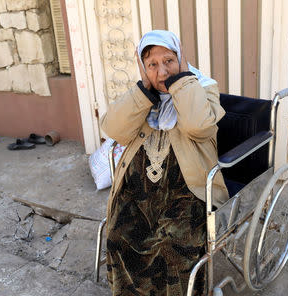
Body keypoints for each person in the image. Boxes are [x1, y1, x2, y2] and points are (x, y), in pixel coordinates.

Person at [100, 30, 229, 296]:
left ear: (181, 59)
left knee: (173, 246)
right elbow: (112, 128)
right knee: (117, 237)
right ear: (143, 68)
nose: (162, 73)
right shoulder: (143, 94)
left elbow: (198, 126)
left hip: (187, 190)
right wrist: (143, 89)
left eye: (169, 60)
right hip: (140, 189)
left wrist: (180, 80)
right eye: (152, 65)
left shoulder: (203, 88)